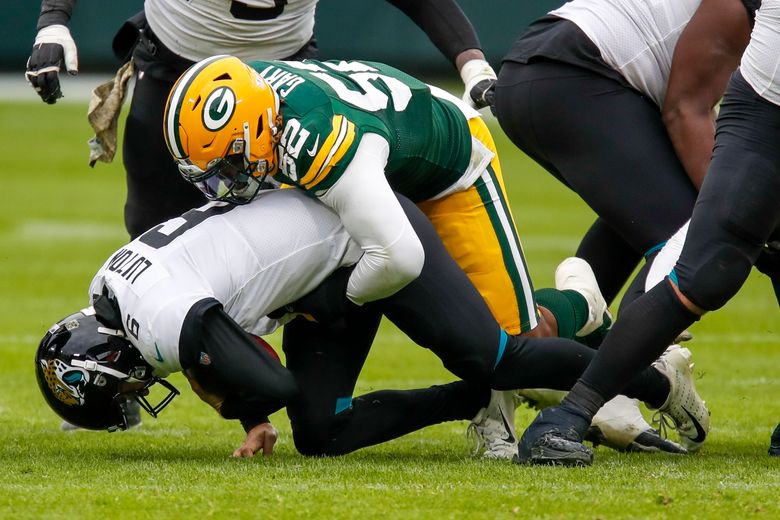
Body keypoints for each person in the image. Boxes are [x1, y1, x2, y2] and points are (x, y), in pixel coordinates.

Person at [36, 189, 697, 458]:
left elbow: (268, 379)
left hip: (367, 240)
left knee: (503, 357)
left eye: (124, 391)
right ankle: (473, 400)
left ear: (110, 362)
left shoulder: (150, 319)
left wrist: (238, 401)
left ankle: (656, 379)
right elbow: (226, 323)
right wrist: (249, 412)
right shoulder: (109, 288)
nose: (140, 391)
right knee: (321, 436)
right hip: (321, 281)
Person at [516, 0, 780, 465]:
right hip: (576, 73)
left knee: (644, 222)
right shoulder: (742, 7)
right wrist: (732, 219)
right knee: (697, 249)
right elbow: (687, 108)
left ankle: (530, 360)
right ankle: (622, 388)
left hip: (553, 68)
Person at [25, 0, 497, 239]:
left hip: (284, 83)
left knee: (305, 235)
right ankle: (116, 369)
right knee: (149, 231)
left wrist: (471, 61)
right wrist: (53, 19)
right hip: (174, 68)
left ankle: (299, 386)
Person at [492, 0, 759, 308]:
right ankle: (635, 355)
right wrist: (736, 214)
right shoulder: (749, 6)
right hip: (575, 72)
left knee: (643, 212)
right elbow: (687, 109)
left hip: (531, 66)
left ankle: (556, 338)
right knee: (688, 236)